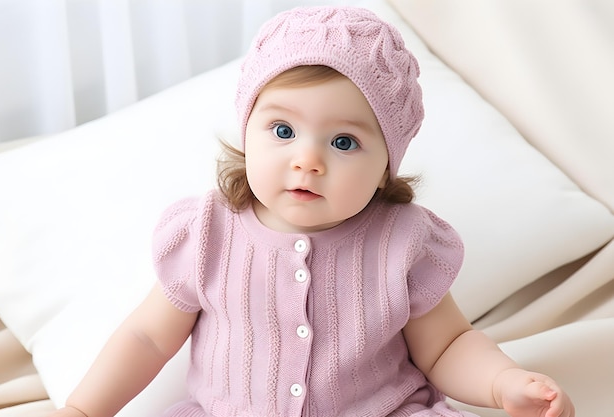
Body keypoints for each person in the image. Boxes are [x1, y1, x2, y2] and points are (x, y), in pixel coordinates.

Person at [50, 6, 574, 417]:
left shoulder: (403, 243)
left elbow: (447, 346)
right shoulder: (207, 234)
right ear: (247, 129)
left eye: (344, 142)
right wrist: (82, 409)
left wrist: (502, 381)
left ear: (387, 164)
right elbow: (145, 337)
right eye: (282, 131)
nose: (308, 160)